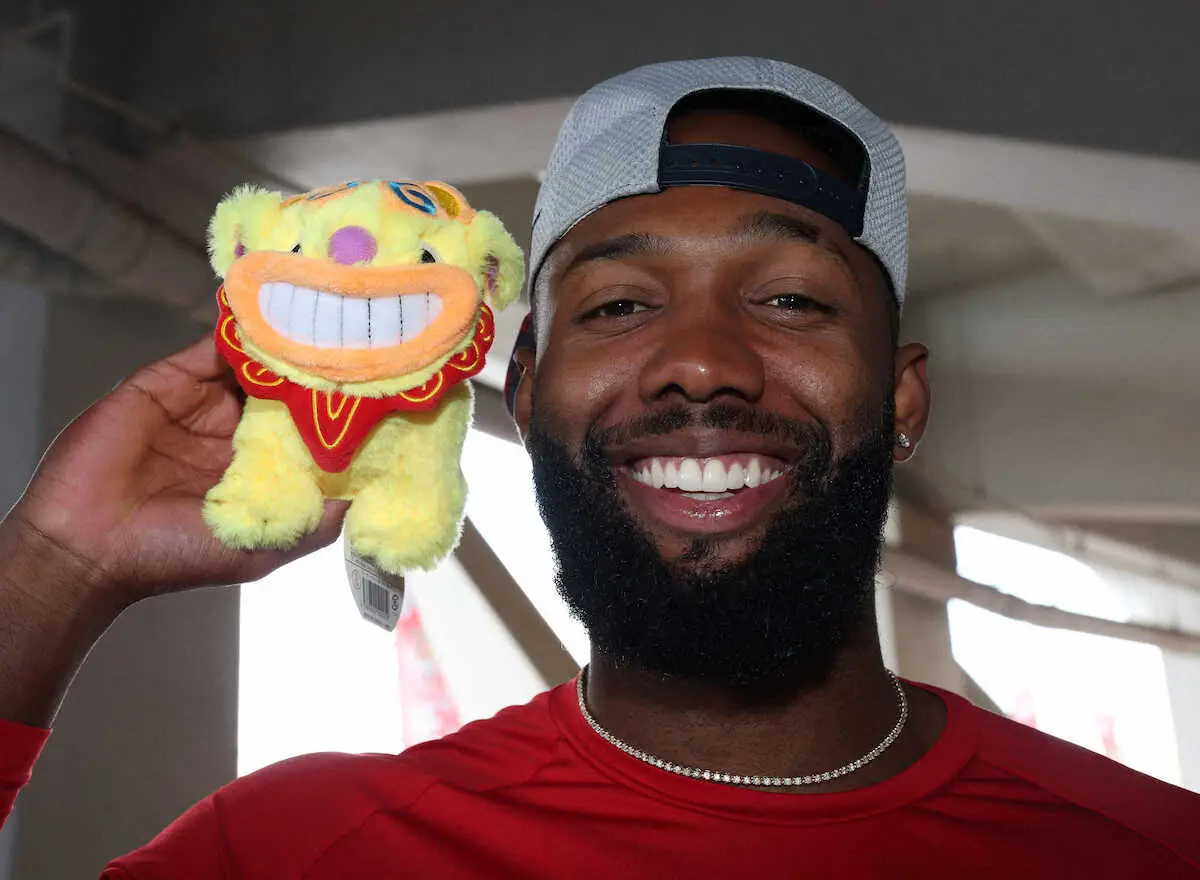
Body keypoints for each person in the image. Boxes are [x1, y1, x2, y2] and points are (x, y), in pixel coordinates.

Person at [1, 57, 1197, 878]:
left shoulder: (1150, 851)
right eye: (620, 303)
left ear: (899, 399)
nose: (700, 362)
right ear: (525, 395)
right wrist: (52, 570)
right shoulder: (298, 852)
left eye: (790, 298)